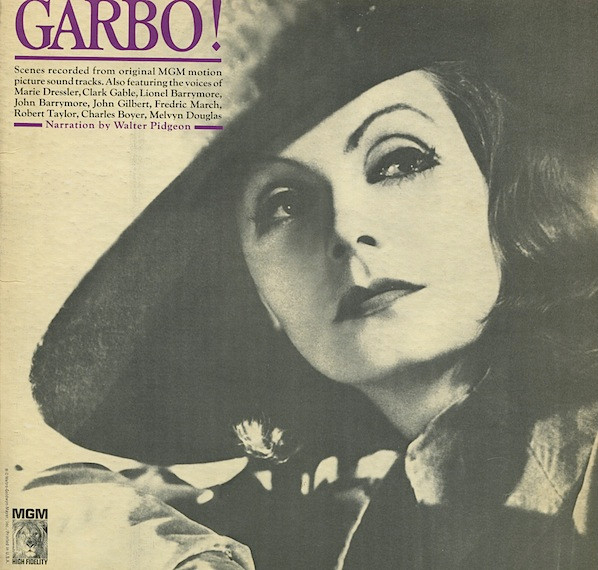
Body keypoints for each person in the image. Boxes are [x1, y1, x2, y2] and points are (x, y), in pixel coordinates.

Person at [25, 0, 597, 568]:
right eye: (285, 203)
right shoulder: (394, 526)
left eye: (399, 161)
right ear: (257, 295)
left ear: (499, 190)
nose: (346, 229)